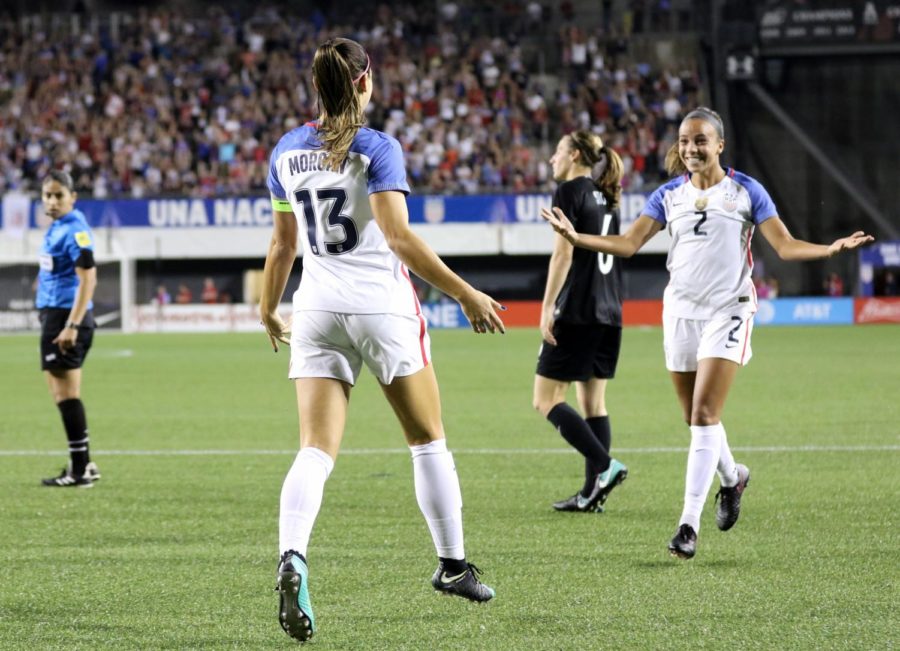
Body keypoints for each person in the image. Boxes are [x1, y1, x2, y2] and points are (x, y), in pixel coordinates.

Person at [259, 37, 506, 644]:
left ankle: (293, 555)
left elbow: (282, 246)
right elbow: (397, 239)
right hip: (381, 309)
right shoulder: (377, 148)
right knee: (427, 441)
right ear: (366, 83)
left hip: (314, 308)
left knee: (315, 450)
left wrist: (268, 309)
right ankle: (451, 566)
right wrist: (466, 293)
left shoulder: (286, 150)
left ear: (318, 88)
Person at [542, 107, 873, 559]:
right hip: (680, 313)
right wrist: (577, 238)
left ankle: (688, 525)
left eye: (701, 140)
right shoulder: (667, 196)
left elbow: (785, 245)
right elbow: (628, 245)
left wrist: (831, 248)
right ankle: (733, 476)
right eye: (684, 141)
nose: (691, 148)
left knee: (703, 414)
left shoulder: (745, 191)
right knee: (696, 416)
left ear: (720, 145)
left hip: (729, 310)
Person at [533, 131, 629, 514]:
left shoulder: (570, 191)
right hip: (611, 311)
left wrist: (547, 308)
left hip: (577, 310)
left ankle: (606, 467)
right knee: (593, 402)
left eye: (556, 151)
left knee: (545, 400)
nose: (552, 159)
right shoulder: (608, 197)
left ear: (574, 155)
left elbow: (563, 255)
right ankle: (592, 493)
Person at [37, 170, 101, 488]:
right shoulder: (57, 228)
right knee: (64, 393)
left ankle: (80, 469)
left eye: (58, 195)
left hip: (66, 318)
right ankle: (83, 465)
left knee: (64, 395)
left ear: (72, 197)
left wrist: (71, 324)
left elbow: (88, 276)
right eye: (47, 195)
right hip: (56, 315)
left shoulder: (75, 229)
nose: (52, 201)